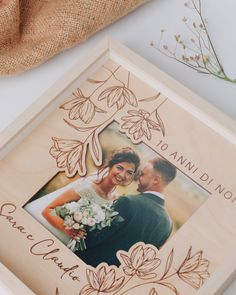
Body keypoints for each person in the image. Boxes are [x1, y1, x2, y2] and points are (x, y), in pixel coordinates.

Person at [25, 147, 140, 244]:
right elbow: (47, 210)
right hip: (52, 231)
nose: (122, 175)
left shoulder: (115, 198)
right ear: (111, 166)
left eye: (129, 172)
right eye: (119, 168)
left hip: (71, 243)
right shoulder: (88, 186)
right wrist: (67, 229)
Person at [77, 157, 177, 267]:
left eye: (142, 174)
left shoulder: (128, 202)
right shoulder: (168, 225)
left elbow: (95, 238)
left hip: (85, 263)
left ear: (156, 180)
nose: (138, 177)